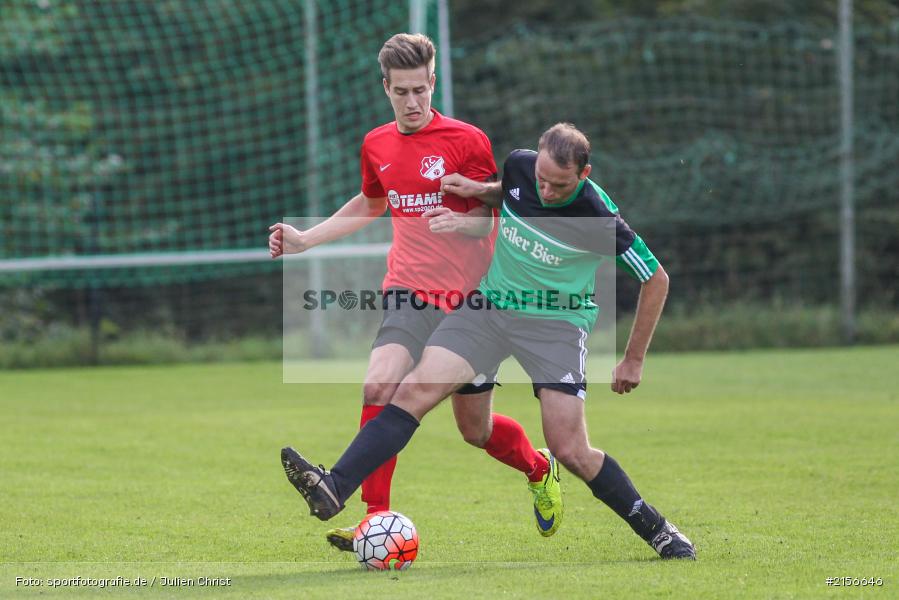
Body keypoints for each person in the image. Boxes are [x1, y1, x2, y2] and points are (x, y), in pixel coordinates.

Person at [281, 123, 696, 559]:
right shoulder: (520, 167)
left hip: (555, 324)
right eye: (542, 179)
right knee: (420, 395)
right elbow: (512, 192)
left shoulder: (597, 217)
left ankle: (657, 528)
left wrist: (633, 360)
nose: (548, 191)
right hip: (490, 309)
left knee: (569, 448)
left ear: (584, 174)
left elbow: (656, 279)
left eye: (560, 185)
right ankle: (334, 486)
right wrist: (479, 189)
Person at [270, 34, 562, 551]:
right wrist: (305, 240)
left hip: (471, 305)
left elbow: (487, 220)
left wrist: (460, 221)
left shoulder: (467, 140)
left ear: (433, 83)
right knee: (378, 387)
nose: (412, 101)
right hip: (408, 291)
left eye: (419, 90)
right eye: (401, 91)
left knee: (475, 430)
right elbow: (370, 202)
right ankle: (372, 518)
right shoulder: (376, 144)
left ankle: (539, 468)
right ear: (386, 88)